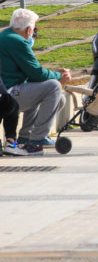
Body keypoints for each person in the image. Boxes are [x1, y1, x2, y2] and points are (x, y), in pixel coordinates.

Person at [0, 9, 69, 155]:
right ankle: (38, 137)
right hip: (10, 93)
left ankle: (26, 138)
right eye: (34, 29)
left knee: (60, 98)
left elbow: (32, 74)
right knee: (54, 87)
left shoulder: (6, 35)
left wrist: (54, 75)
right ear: (29, 29)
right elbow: (36, 73)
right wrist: (59, 76)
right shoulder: (17, 41)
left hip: (10, 90)